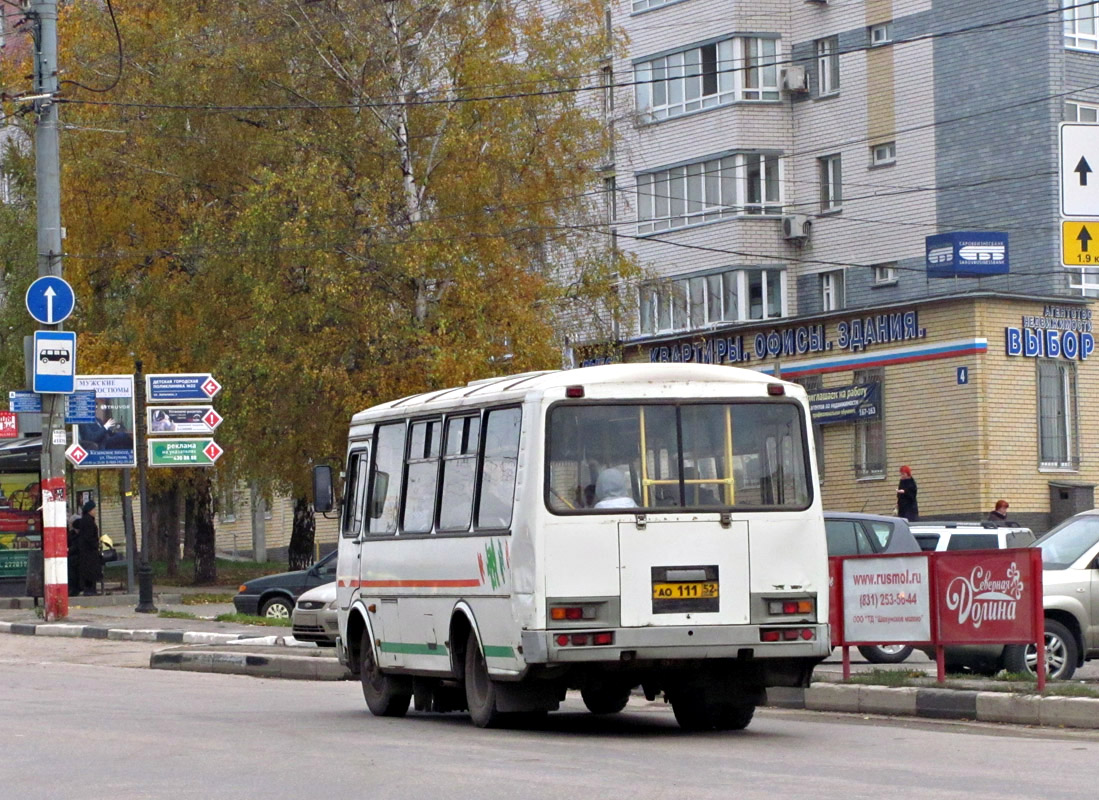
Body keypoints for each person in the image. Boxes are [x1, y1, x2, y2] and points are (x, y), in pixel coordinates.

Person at [75, 500, 102, 596]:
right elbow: (89, 536)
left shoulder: (84, 520)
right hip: (89, 551)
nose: (95, 511)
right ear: (89, 510)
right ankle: (90, 590)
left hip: (85, 550)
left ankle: (88, 589)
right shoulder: (89, 521)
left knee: (87, 570)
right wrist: (96, 543)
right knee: (91, 570)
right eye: (94, 509)